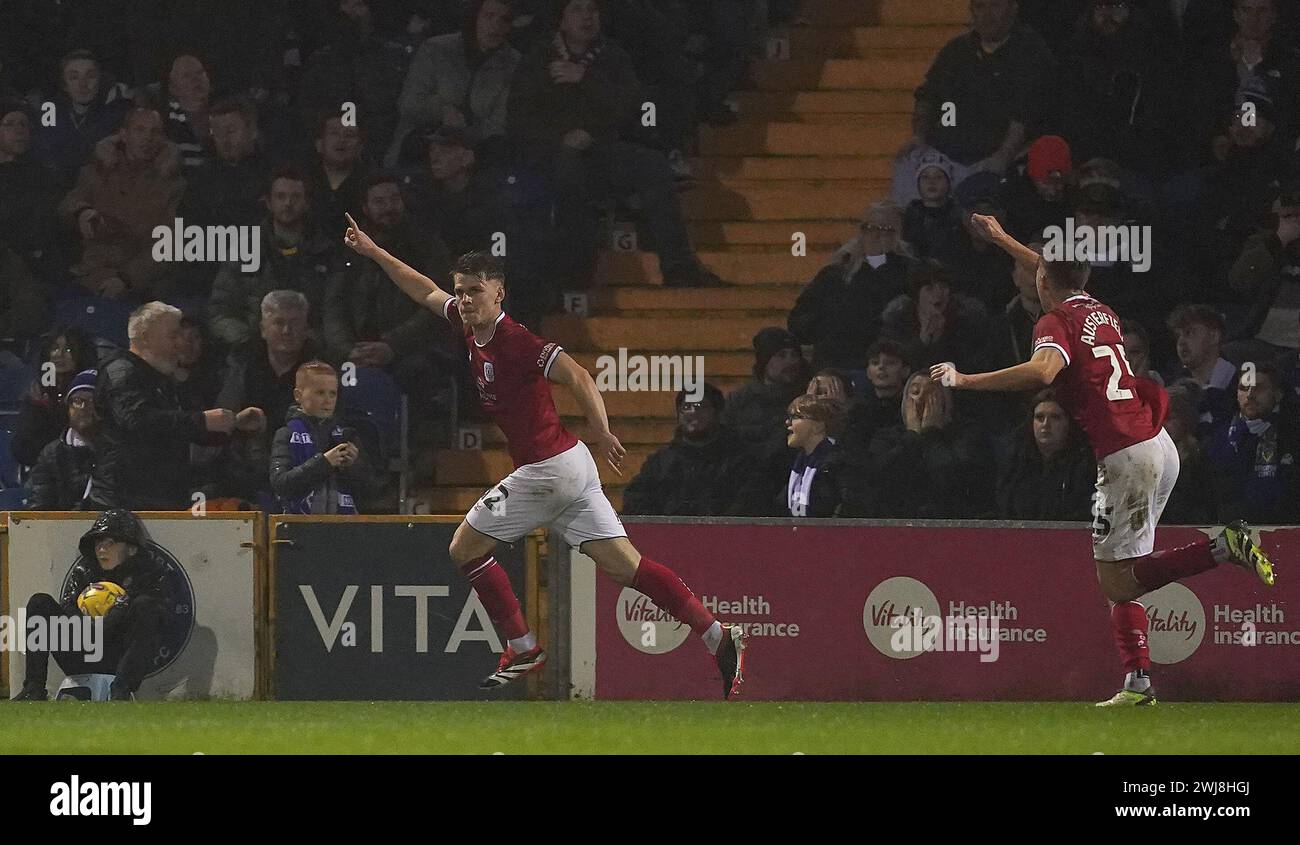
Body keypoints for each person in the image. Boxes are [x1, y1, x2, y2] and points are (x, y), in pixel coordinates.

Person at [344, 216, 748, 698]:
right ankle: (716, 635)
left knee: (463, 549)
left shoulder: (516, 342)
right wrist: (373, 250)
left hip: (548, 469)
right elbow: (425, 292)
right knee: (627, 568)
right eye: (463, 290)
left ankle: (523, 645)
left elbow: (577, 375)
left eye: (476, 290)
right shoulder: (468, 325)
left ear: (499, 293)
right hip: (569, 466)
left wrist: (601, 428)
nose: (466, 299)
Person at [931, 213, 1277, 707]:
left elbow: (1043, 370)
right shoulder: (1098, 308)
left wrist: (964, 381)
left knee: (1116, 577)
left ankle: (1225, 546)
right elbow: (1052, 272)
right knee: (1126, 574)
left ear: (1044, 281)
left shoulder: (1055, 321)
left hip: (1125, 455)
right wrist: (1004, 238)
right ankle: (1137, 682)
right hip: (1157, 442)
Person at [88, 302, 265, 510]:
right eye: (173, 336)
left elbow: (176, 429)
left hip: (160, 498)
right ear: (145, 338)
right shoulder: (121, 370)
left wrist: (232, 425)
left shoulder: (163, 379)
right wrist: (203, 420)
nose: (181, 343)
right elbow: (138, 420)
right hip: (123, 502)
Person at [10, 510, 171, 702]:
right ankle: (34, 689)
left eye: (110, 543)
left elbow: (152, 622)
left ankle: (121, 690)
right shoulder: (84, 570)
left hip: (119, 658)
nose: (101, 549)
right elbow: (68, 606)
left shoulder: (148, 574)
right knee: (40, 602)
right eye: (98, 543)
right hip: (83, 648)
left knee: (147, 606)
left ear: (131, 549)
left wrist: (116, 613)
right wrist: (86, 625)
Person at [622, 383, 747, 517]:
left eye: (700, 407)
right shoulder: (661, 463)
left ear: (717, 412)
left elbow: (746, 505)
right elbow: (636, 500)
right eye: (686, 407)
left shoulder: (738, 460)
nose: (693, 412)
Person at [270, 361, 377, 514]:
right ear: (298, 396)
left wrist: (354, 466)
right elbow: (280, 484)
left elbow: (371, 491)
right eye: (320, 393)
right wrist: (324, 463)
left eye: (332, 393)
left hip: (343, 527)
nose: (328, 400)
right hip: (296, 526)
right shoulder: (286, 433)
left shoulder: (346, 436)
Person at [995, 388, 1096, 521]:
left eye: (1055, 418)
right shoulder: (1015, 462)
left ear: (1069, 423)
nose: (1045, 424)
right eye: (1039, 417)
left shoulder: (1086, 464)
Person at [783, 393, 868, 518]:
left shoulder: (838, 464)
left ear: (818, 426)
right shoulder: (797, 463)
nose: (787, 422)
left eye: (795, 417)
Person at [29, 369, 98, 510]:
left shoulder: (119, 450)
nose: (84, 408)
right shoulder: (51, 453)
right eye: (77, 401)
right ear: (68, 407)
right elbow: (40, 507)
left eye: (92, 401)